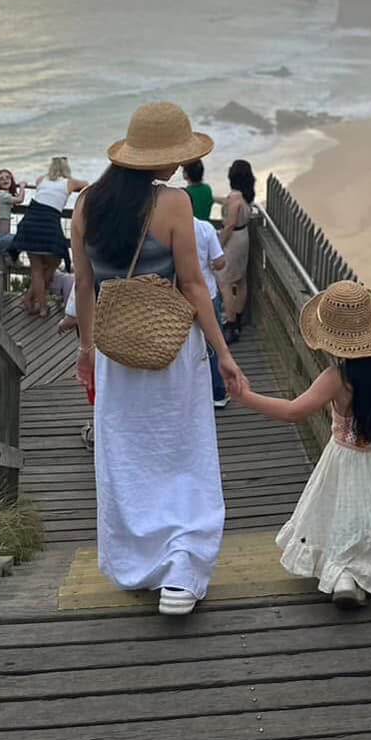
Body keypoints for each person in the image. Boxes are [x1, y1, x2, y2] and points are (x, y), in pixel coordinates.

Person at [71, 102, 245, 616]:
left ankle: (141, 561)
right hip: (171, 348)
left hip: (114, 352)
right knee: (183, 450)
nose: (175, 165)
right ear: (159, 160)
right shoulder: (173, 205)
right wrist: (224, 353)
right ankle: (182, 567)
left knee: (128, 454)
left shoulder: (86, 204)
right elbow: (194, 286)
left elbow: (84, 285)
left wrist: (86, 351)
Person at [234, 279, 371, 608]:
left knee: (343, 511)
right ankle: (368, 570)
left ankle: (344, 575)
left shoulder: (336, 380)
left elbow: (293, 412)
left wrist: (247, 398)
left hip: (344, 460)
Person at [13, 157, 87, 317]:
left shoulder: (41, 179)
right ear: (66, 168)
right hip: (48, 225)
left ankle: (33, 302)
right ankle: (41, 306)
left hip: (30, 223)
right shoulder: (70, 183)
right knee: (54, 263)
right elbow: (87, 185)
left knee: (37, 269)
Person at [193, 216, 229, 409]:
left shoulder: (167, 226)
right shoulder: (205, 228)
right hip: (207, 293)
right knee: (213, 345)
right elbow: (220, 261)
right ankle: (218, 393)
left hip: (178, 296)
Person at [219, 158, 255, 340]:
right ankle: (238, 321)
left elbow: (230, 224)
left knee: (225, 282)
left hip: (233, 240)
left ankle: (231, 326)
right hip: (244, 237)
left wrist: (220, 244)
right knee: (241, 281)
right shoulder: (246, 197)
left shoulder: (234, 199)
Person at [0, 168, 25, 266]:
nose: (5, 180)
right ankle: (13, 257)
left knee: (0, 267)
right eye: (1, 179)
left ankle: (7, 256)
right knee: (24, 239)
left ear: (12, 180)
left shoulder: (0, 195)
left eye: (8, 177)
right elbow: (20, 199)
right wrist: (22, 186)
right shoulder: (2, 195)